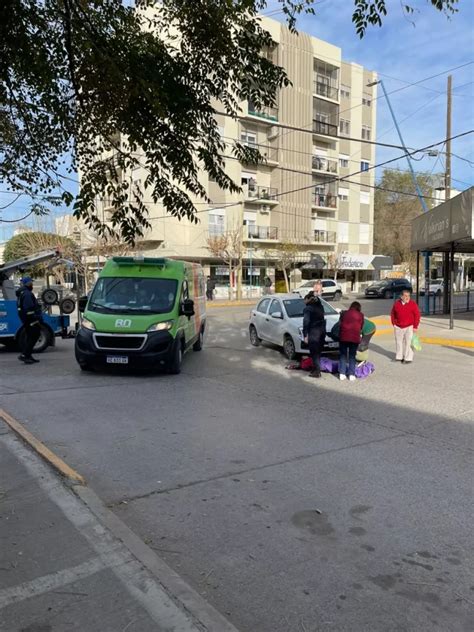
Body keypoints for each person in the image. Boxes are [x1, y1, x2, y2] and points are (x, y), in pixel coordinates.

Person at [16, 276, 43, 364]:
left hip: (26, 318)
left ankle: (28, 355)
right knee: (34, 335)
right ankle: (25, 354)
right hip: (30, 319)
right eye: (31, 282)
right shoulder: (27, 294)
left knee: (30, 336)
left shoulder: (22, 292)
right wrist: (36, 318)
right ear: (28, 283)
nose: (32, 284)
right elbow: (29, 308)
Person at [390, 289, 421, 364]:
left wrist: (415, 326)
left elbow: (417, 315)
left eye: (409, 296)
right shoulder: (396, 304)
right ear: (401, 296)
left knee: (408, 342)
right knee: (398, 342)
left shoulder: (413, 304)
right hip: (398, 326)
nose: (407, 297)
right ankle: (399, 357)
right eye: (405, 296)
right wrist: (394, 324)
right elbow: (392, 314)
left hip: (409, 326)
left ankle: (408, 358)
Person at [302, 291, 326, 378]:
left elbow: (306, 322)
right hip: (322, 331)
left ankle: (317, 372)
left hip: (314, 332)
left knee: (314, 352)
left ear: (308, 299)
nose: (304, 302)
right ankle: (315, 368)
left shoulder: (308, 309)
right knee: (318, 352)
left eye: (304, 300)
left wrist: (305, 335)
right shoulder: (320, 307)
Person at [338, 301, 364, 381]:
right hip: (354, 338)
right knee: (352, 356)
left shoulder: (344, 313)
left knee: (343, 355)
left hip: (343, 337)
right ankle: (351, 374)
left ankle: (342, 374)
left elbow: (339, 324)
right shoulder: (361, 315)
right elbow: (361, 326)